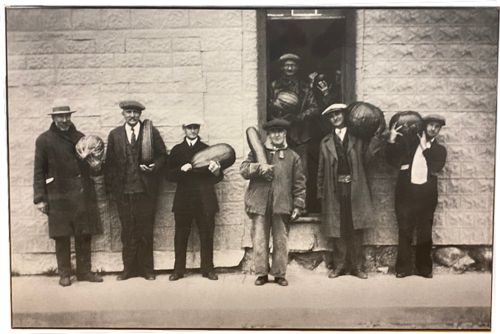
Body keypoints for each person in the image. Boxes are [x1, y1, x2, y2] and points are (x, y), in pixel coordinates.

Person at [33, 105, 103, 287]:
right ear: (53, 118)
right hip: (58, 194)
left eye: (67, 116)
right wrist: (40, 198)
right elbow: (39, 171)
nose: (64, 120)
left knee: (84, 233)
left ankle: (84, 272)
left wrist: (95, 165)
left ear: (70, 117)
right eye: (60, 117)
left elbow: (91, 166)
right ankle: (64, 273)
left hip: (81, 192)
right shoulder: (44, 140)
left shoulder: (81, 138)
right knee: (61, 235)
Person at [317, 103, 384, 279]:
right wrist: (321, 193)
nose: (335, 118)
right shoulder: (325, 142)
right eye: (331, 116)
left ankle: (357, 267)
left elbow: (369, 159)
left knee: (355, 228)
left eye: (338, 114)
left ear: (344, 115)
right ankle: (339, 266)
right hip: (334, 189)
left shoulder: (358, 139)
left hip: (355, 188)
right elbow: (321, 170)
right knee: (338, 228)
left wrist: (378, 138)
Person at [105, 100, 167, 281]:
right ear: (123, 114)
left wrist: (155, 166)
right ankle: (128, 269)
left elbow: (163, 155)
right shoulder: (115, 135)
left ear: (140, 115)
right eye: (128, 112)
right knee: (127, 231)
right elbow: (110, 163)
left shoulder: (150, 132)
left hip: (145, 191)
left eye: (136, 113)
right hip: (123, 192)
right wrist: (110, 190)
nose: (132, 116)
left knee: (145, 230)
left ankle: (147, 269)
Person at [240, 119, 306, 286]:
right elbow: (243, 170)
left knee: (281, 241)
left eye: (281, 131)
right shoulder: (257, 153)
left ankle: (279, 274)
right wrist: (257, 168)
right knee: (259, 240)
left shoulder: (293, 157)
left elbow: (299, 183)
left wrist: (298, 204)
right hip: (259, 203)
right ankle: (261, 273)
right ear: (268, 134)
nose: (277, 135)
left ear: (285, 134)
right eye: (274, 132)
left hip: (282, 204)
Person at [386, 114, 447, 278]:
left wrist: (425, 148)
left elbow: (436, 166)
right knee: (405, 230)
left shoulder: (439, 150)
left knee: (425, 232)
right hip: (406, 194)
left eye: (437, 127)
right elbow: (392, 160)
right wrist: (391, 140)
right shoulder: (409, 144)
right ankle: (403, 268)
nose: (433, 129)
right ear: (423, 126)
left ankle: (424, 268)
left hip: (426, 196)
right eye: (430, 125)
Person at [167, 118, 222, 281]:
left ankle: (208, 269)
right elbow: (168, 175)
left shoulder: (208, 150)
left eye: (195, 127)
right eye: (189, 127)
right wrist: (180, 170)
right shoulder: (177, 150)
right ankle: (178, 270)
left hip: (204, 199)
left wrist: (217, 171)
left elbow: (218, 178)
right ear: (183, 128)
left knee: (207, 234)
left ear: (198, 129)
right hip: (184, 200)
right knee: (181, 235)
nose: (192, 130)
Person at [269, 53, 318, 212]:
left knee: (301, 171)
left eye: (293, 65)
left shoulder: (305, 87)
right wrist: (278, 114)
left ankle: (300, 207)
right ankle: (282, 206)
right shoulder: (274, 86)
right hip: (281, 135)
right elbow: (267, 107)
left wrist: (299, 117)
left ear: (297, 67)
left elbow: (314, 108)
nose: (289, 68)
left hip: (300, 135)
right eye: (286, 65)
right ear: (282, 67)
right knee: (280, 170)